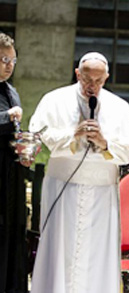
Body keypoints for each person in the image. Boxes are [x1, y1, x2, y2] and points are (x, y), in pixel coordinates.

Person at [28, 52, 129, 293]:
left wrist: (105, 142)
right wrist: (73, 135)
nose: (93, 86)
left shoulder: (120, 107)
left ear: (107, 77)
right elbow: (38, 135)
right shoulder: (54, 99)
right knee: (59, 250)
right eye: (87, 79)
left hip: (102, 192)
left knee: (98, 254)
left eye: (99, 81)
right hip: (62, 187)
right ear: (78, 73)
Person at [0, 33, 25, 292]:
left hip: (10, 172)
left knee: (11, 232)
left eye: (13, 60)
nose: (9, 65)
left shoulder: (12, 91)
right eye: (4, 59)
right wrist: (6, 115)